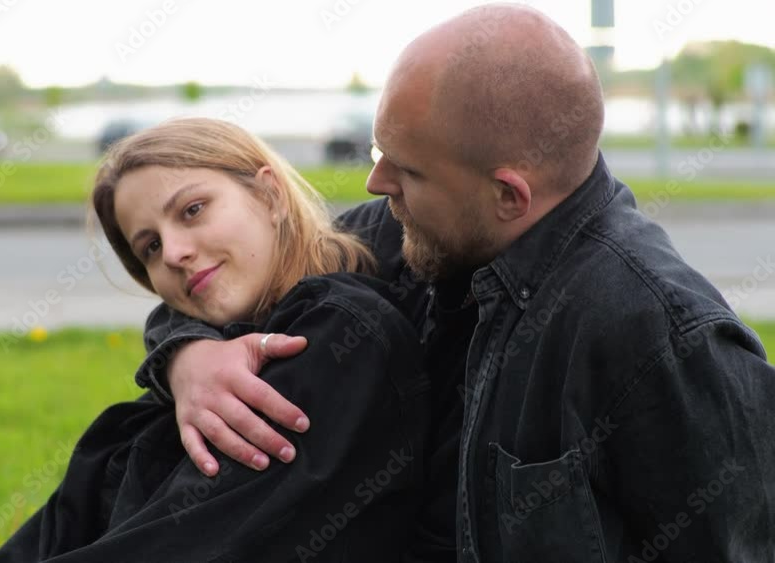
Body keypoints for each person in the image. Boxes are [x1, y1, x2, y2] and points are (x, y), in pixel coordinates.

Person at [138, 5, 775, 563]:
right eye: (376, 151)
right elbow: (236, 270)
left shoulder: (663, 337)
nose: (376, 184)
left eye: (407, 169)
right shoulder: (396, 232)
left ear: (507, 195)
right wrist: (189, 355)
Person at [0, 117, 433, 562]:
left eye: (193, 209)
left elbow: (193, 542)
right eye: (149, 245)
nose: (174, 252)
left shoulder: (335, 337)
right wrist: (183, 353)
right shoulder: (214, 353)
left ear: (268, 194)